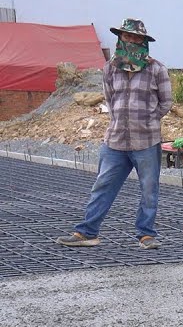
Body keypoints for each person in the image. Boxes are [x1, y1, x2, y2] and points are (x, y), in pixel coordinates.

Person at [54, 18, 171, 250]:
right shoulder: (110, 68)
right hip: (115, 140)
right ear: (121, 38)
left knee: (149, 188)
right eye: (128, 37)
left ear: (144, 41)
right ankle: (87, 232)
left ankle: (145, 234)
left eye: (137, 38)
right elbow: (110, 99)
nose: (132, 41)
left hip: (146, 141)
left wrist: (147, 120)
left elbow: (166, 103)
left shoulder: (157, 69)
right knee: (103, 185)